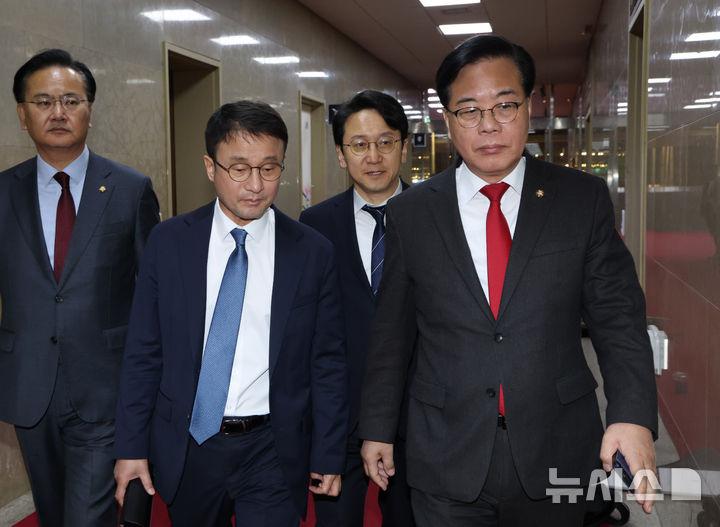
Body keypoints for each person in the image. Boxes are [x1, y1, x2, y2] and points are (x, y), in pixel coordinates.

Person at [359, 35, 658, 527]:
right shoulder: (411, 213)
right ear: (448, 119)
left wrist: (632, 415)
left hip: (556, 446)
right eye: (469, 111)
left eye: (504, 105)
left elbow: (618, 318)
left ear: (529, 106)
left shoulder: (579, 200)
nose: (489, 125)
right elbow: (392, 332)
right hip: (445, 452)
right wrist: (376, 426)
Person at [113, 100, 348, 527]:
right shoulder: (169, 243)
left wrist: (329, 452)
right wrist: (131, 447)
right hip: (191, 444)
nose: (255, 185)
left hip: (273, 447)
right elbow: (143, 352)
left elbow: (327, 361)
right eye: (239, 169)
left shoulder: (312, 252)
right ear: (210, 167)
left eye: (269, 168)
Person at [0, 49, 159, 526]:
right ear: (22, 115)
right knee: (53, 513)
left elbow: (152, 293)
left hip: (105, 388)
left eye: (71, 100)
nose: (58, 112)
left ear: (90, 109)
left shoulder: (130, 189)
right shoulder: (3, 192)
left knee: (88, 517)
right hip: (29, 386)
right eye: (43, 101)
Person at [300, 90, 415, 527]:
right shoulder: (315, 227)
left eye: (385, 142)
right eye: (359, 144)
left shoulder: (437, 218)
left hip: (414, 418)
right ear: (340, 154)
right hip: (339, 418)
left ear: (404, 147)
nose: (373, 157)